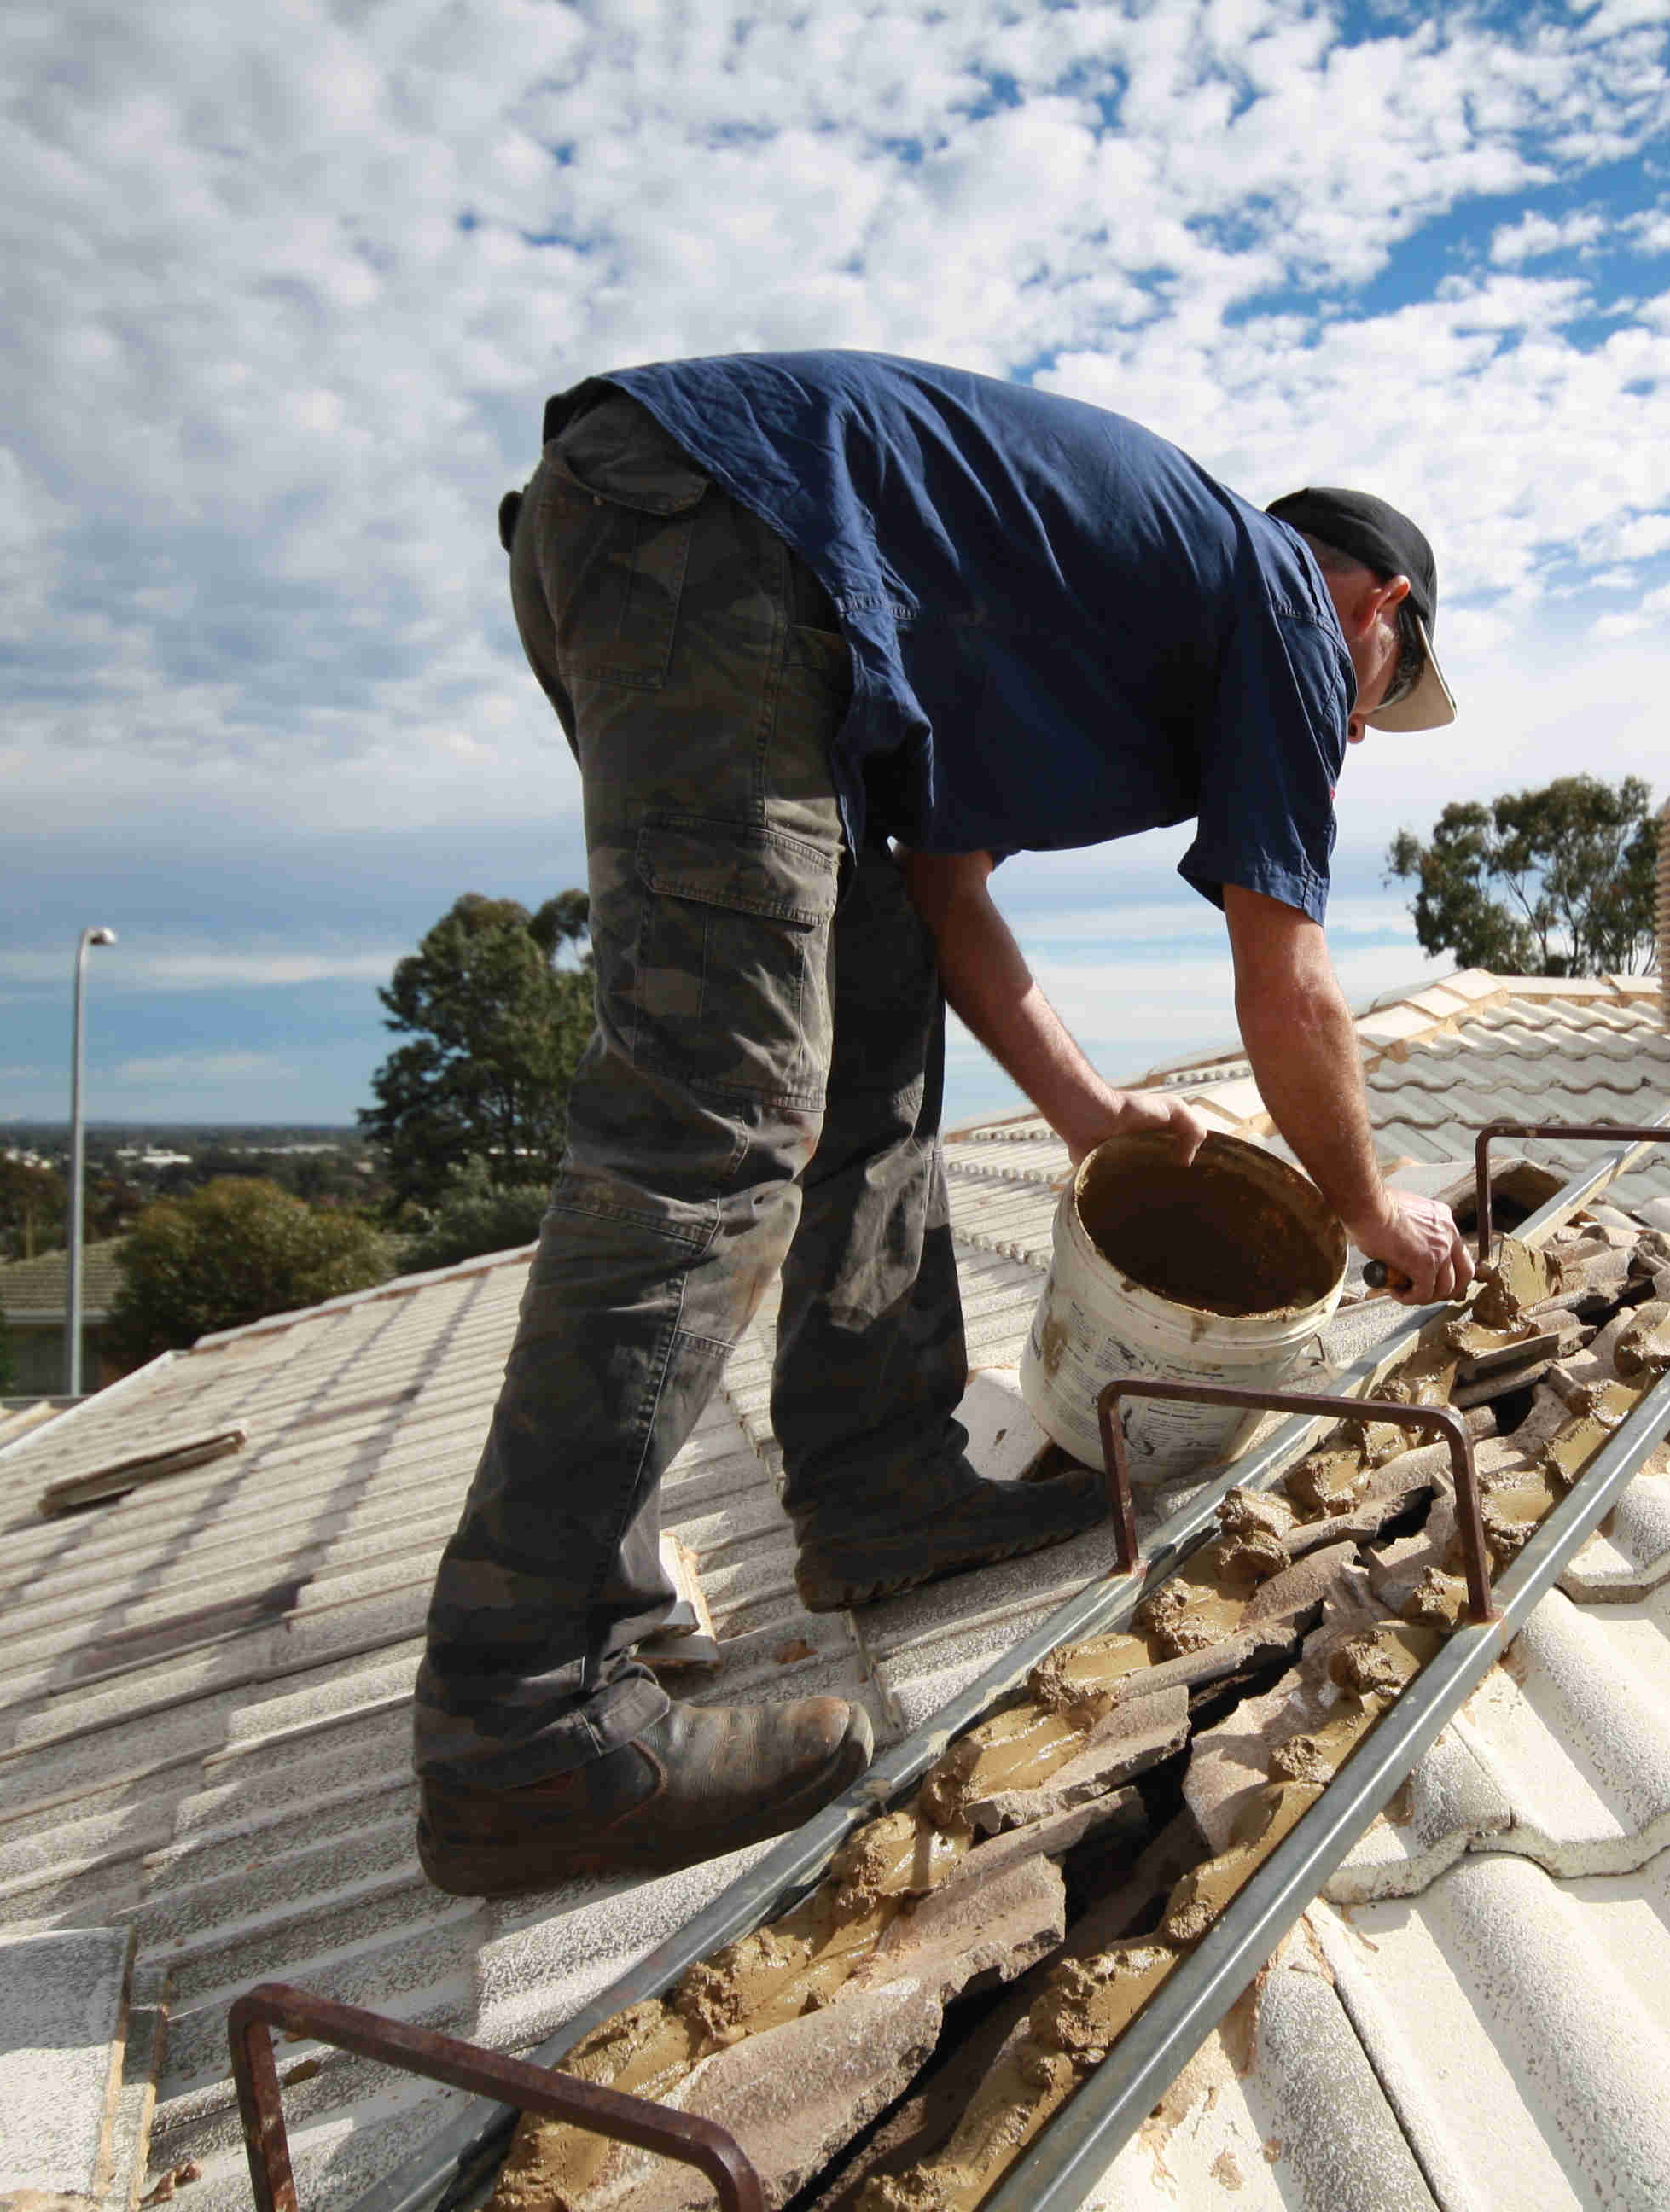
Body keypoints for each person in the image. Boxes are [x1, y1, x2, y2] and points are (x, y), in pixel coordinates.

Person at [412, 352, 1474, 1899]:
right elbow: (1290, 979)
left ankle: (875, 1477)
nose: (1364, 735)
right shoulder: (1284, 612)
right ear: (1372, 605)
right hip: (722, 530)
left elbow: (944, 893)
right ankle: (526, 1720)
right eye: (1393, 686)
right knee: (719, 1116)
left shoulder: (1065, 614)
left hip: (687, 537)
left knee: (868, 995)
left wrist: (1089, 1111)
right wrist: (1373, 1211)